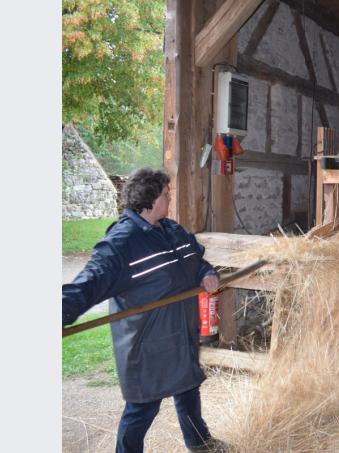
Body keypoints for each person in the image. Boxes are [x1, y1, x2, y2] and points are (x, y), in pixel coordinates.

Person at [62, 168, 227, 453]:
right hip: (148, 342)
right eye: (166, 193)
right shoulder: (122, 242)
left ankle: (200, 444)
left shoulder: (172, 230)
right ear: (150, 199)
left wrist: (206, 272)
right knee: (143, 408)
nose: (170, 197)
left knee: (188, 389)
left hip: (180, 332)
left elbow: (196, 259)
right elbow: (89, 282)